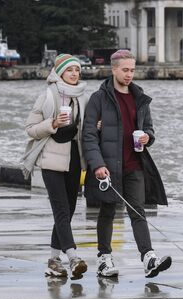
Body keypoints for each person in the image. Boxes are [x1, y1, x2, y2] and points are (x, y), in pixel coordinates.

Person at [82, 49, 171, 278]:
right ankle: (104, 259)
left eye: (132, 70)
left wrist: (147, 138)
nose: (129, 74)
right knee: (108, 210)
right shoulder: (98, 99)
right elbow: (89, 136)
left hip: (134, 164)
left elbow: (150, 129)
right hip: (108, 167)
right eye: (125, 70)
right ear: (113, 70)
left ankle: (148, 257)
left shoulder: (140, 97)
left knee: (137, 211)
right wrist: (97, 165)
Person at [22, 54, 88, 279]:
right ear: (59, 73)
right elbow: (30, 128)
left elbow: (82, 130)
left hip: (73, 160)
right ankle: (73, 257)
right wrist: (52, 123)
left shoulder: (81, 98)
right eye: (70, 70)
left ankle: (53, 261)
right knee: (60, 210)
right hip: (51, 159)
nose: (74, 74)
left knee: (67, 212)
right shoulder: (47, 96)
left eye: (77, 70)